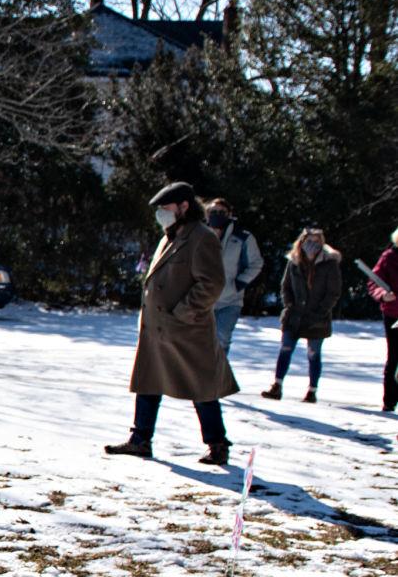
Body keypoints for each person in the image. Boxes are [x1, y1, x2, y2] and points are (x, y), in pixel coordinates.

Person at [105, 182, 235, 466]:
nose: (161, 214)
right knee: (147, 382)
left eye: (165, 208)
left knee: (201, 387)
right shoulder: (169, 236)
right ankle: (140, 439)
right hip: (157, 328)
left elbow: (212, 283)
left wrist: (183, 313)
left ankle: (217, 444)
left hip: (186, 329)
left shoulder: (202, 237)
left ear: (184, 206)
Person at [262, 225, 342, 403]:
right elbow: (286, 287)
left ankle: (312, 390)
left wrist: (321, 311)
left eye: (316, 241)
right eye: (309, 240)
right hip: (294, 315)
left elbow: (333, 292)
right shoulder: (294, 261)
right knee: (285, 349)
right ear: (302, 241)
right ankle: (277, 385)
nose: (312, 244)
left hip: (317, 317)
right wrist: (289, 305)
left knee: (313, 353)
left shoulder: (329, 264)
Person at [203, 197, 263, 355]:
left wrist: (239, 283)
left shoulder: (243, 237)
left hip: (229, 300)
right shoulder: (198, 235)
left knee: (222, 338)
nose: (217, 215)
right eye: (212, 211)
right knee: (199, 340)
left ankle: (218, 375)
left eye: (221, 212)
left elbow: (256, 263)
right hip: (201, 299)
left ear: (229, 214)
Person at [370, 228, 398, 413]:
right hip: (394, 314)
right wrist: (382, 295)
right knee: (394, 358)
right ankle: (389, 401)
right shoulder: (389, 257)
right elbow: (374, 281)